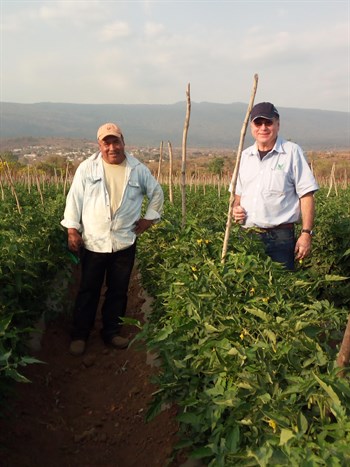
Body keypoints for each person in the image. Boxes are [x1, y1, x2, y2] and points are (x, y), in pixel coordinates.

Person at [61, 123, 164, 356]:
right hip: (94, 242)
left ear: (123, 142)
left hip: (124, 242)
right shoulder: (88, 168)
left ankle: (111, 332)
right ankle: (80, 334)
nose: (111, 147)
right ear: (99, 145)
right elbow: (74, 199)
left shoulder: (137, 169)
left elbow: (157, 193)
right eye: (106, 143)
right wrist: (72, 230)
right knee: (88, 289)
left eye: (115, 141)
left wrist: (148, 219)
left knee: (118, 290)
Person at [231, 102, 319, 271]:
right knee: (247, 288)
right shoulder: (244, 156)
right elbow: (238, 196)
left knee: (281, 287)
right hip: (247, 235)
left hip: (280, 237)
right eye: (258, 123)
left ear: (277, 125)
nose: (263, 127)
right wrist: (236, 208)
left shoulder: (292, 152)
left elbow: (307, 195)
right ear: (251, 127)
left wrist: (306, 233)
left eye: (268, 122)